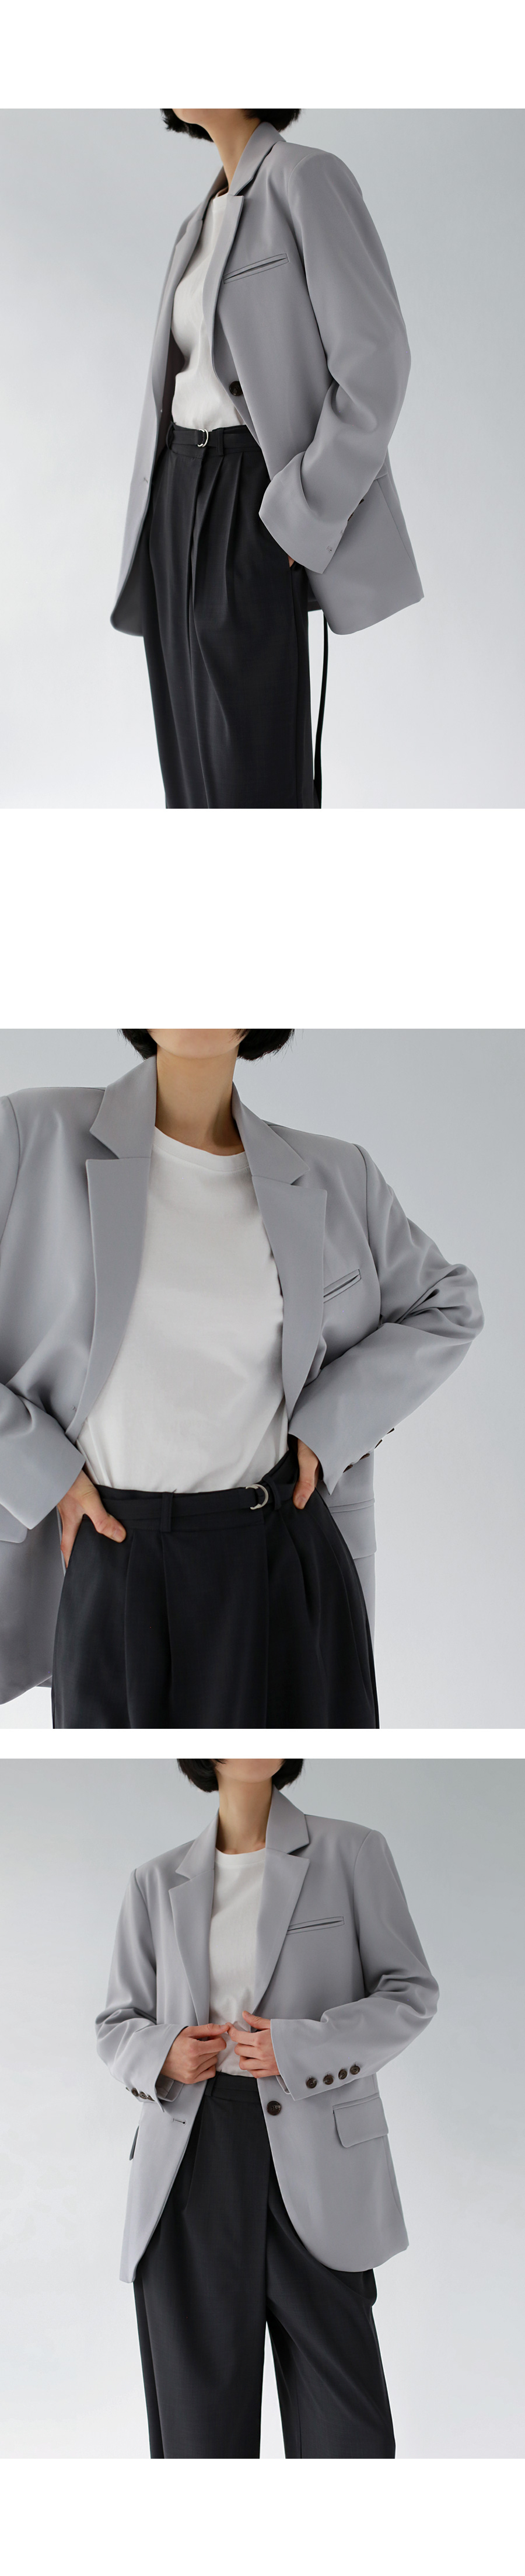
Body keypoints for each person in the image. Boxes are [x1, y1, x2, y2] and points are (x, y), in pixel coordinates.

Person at [0, 1029, 482, 1723]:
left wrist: (328, 1427)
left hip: (285, 1549)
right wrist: (41, 1471)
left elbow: (447, 1304)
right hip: (114, 1551)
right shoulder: (32, 1135)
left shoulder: (336, 1173)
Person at [96, 1755, 439, 2458]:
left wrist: (299, 2046)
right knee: (200, 2443)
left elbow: (410, 1992)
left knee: (349, 2437)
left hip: (315, 2162)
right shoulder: (155, 1880)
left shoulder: (352, 1851)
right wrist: (165, 2052)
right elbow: (116, 2023)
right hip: (189, 2164)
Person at [111, 112, 423, 808]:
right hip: (174, 494)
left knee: (250, 772)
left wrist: (304, 513)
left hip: (250, 499)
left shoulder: (307, 179)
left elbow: (376, 364)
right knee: (190, 774)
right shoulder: (199, 219)